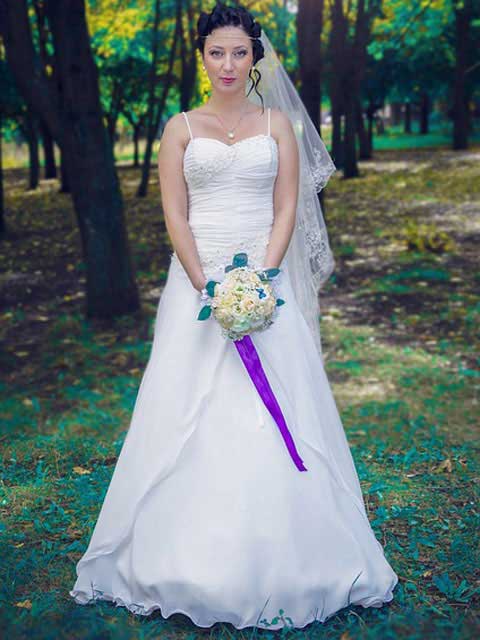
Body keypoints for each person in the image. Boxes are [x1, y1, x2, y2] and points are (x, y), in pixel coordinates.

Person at [69, 2, 398, 630]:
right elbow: (174, 213)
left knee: (279, 408)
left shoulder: (279, 126)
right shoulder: (179, 129)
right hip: (196, 281)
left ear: (255, 57)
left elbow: (286, 207)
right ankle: (179, 550)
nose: (227, 64)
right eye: (216, 52)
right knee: (185, 404)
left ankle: (294, 548)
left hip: (265, 284)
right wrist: (209, 289)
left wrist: (261, 283)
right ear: (202, 56)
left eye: (239, 52)